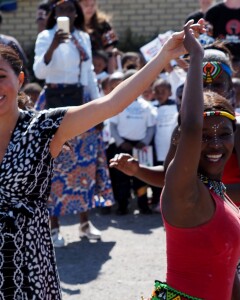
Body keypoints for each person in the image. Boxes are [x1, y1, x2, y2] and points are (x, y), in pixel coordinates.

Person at [0, 20, 190, 299]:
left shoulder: (43, 127)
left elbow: (112, 103)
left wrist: (163, 56)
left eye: (0, 76)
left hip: (28, 272)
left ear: (19, 80)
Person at [111, 42, 240, 300]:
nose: (209, 90)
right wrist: (140, 171)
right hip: (208, 215)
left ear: (232, 86)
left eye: (217, 85)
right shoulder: (185, 137)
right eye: (202, 84)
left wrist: (207, 195)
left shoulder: (238, 130)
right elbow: (172, 176)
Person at [145, 20, 240, 299]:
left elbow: (228, 271)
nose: (215, 143)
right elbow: (191, 125)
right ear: (185, 142)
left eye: (224, 134)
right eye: (204, 137)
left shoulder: (217, 191)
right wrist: (196, 60)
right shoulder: (184, 191)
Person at [33, 0, 113, 247]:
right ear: (54, 13)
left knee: (84, 162)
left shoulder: (83, 37)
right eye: (61, 10)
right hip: (52, 102)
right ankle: (54, 227)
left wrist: (99, 110)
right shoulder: (45, 36)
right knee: (53, 163)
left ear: (76, 14)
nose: (66, 13)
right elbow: (38, 72)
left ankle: (85, 223)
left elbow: (88, 75)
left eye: (70, 10)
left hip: (80, 100)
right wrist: (54, 46)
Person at [110, 70, 156, 215]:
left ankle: (143, 205)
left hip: (140, 147)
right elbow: (112, 126)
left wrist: (145, 142)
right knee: (121, 178)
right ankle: (123, 205)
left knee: (141, 178)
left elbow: (151, 127)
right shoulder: (118, 103)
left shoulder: (146, 106)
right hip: (123, 145)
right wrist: (120, 142)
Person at [151, 78, 178, 211]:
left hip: (171, 148)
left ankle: (172, 202)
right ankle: (158, 201)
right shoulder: (152, 108)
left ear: (170, 92)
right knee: (159, 176)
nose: (160, 94)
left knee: (172, 175)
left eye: (163, 91)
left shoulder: (176, 107)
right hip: (158, 148)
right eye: (157, 91)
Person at [78, 0, 119, 73]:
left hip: (101, 72)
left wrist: (111, 75)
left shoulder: (103, 25)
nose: (90, 8)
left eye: (92, 5)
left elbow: (110, 52)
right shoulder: (73, 26)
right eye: (86, 5)